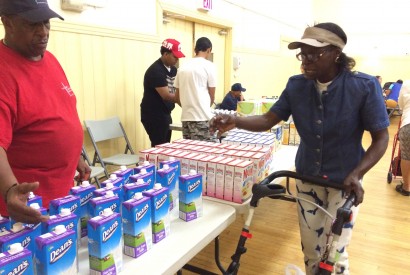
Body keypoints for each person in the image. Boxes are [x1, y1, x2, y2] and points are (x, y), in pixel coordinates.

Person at [210, 22, 389, 274]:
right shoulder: (297, 86)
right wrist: (236, 120)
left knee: (335, 253)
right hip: (307, 178)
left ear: (336, 53)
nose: (306, 60)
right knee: (310, 250)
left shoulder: (363, 87)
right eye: (302, 53)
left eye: (314, 53)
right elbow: (268, 120)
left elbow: (381, 138)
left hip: (345, 182)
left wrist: (358, 173)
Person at [0, 0, 90, 224]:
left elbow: (62, 113)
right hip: (26, 210)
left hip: (62, 196)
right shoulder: (3, 70)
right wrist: (10, 189)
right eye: (32, 24)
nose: (43, 32)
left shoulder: (49, 59)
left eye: (46, 22)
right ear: (7, 22)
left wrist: (75, 155)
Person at [141, 38, 185, 147]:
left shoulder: (173, 70)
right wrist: (186, 103)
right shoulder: (155, 71)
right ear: (165, 54)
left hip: (165, 112)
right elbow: (166, 95)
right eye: (175, 57)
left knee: (166, 145)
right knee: (159, 146)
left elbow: (177, 92)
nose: (177, 60)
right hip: (153, 115)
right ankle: (155, 163)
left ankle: (162, 163)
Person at [175, 37, 217, 141]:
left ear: (195, 49)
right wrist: (202, 107)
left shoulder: (182, 67)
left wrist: (188, 106)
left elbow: (177, 97)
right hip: (202, 118)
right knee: (205, 154)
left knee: (190, 153)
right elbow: (212, 96)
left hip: (186, 118)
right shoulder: (209, 66)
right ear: (209, 50)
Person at [396, 80, 410, 196]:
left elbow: (400, 104)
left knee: (406, 155)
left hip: (408, 123)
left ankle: (406, 187)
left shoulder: (407, 83)